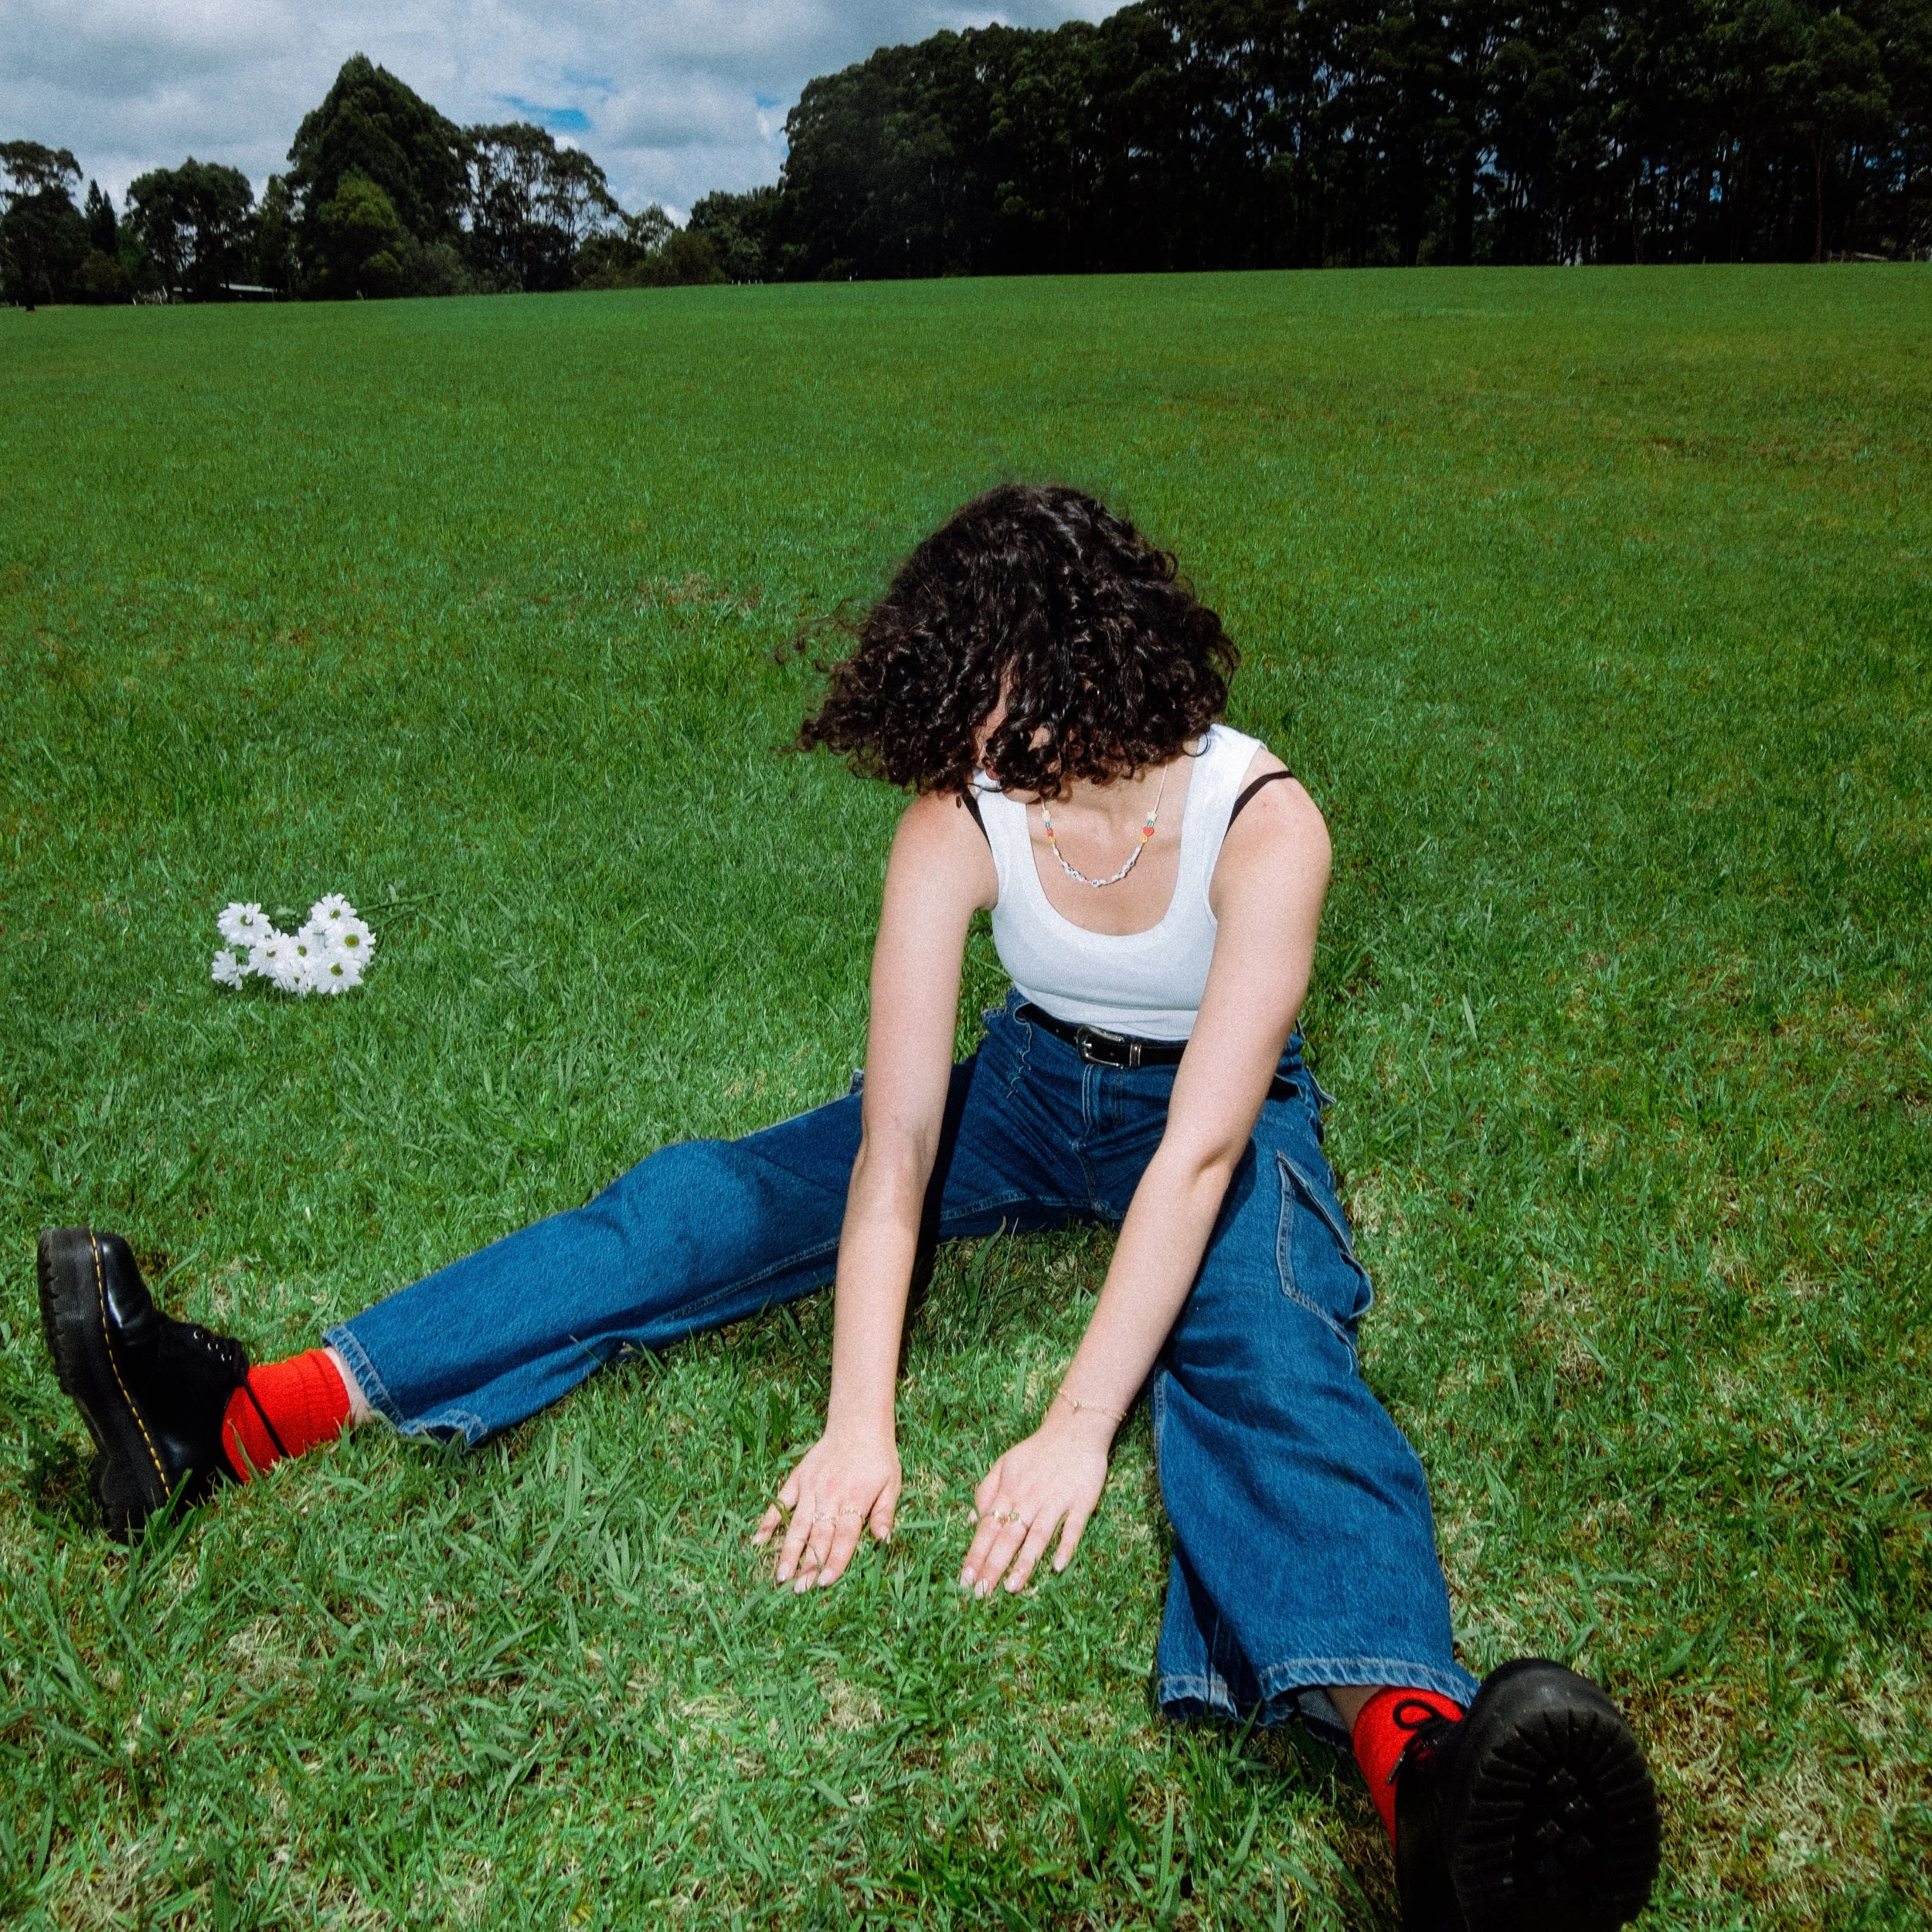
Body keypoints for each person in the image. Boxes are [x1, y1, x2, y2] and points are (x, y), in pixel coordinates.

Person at [38, 485, 1660, 1929]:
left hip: (1210, 1118)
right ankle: (237, 1417)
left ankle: (1420, 1773)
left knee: (1267, 1353)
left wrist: (1071, 1423)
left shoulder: (1263, 820)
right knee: (697, 1207)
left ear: (1093, 655)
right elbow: (894, 1146)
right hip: (1024, 1089)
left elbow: (1196, 1161)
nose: (965, 746)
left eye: (990, 700)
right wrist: (857, 1418)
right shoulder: (957, 811)